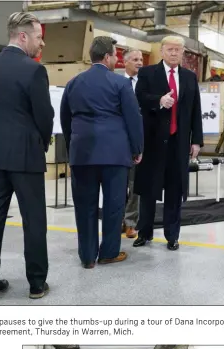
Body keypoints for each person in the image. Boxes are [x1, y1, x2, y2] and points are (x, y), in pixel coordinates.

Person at [0, 12, 54, 300]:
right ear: (23, 36)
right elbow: (44, 116)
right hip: (25, 155)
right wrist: (41, 142)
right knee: (33, 218)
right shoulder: (33, 70)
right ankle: (36, 283)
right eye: (37, 37)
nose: (41, 43)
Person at [60, 37, 143, 268]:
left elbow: (66, 119)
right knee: (114, 204)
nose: (116, 60)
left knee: (84, 205)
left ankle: (87, 257)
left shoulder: (73, 83)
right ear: (107, 57)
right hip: (114, 155)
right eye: (115, 55)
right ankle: (108, 252)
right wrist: (137, 149)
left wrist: (72, 145)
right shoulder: (121, 84)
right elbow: (133, 119)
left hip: (82, 154)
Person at [133, 35, 203, 251]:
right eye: (170, 49)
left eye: (178, 50)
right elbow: (139, 97)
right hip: (153, 141)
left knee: (175, 189)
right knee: (149, 190)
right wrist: (159, 101)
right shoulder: (147, 73)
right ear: (162, 51)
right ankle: (144, 232)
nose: (174, 53)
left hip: (178, 142)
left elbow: (195, 111)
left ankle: (172, 235)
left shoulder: (190, 78)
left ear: (183, 53)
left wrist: (197, 141)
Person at [122, 48, 143, 239]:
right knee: (118, 184)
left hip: (138, 142)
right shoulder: (116, 82)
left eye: (141, 59)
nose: (139, 62)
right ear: (125, 62)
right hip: (118, 142)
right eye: (135, 59)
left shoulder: (145, 84)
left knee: (135, 185)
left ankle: (131, 222)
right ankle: (118, 220)